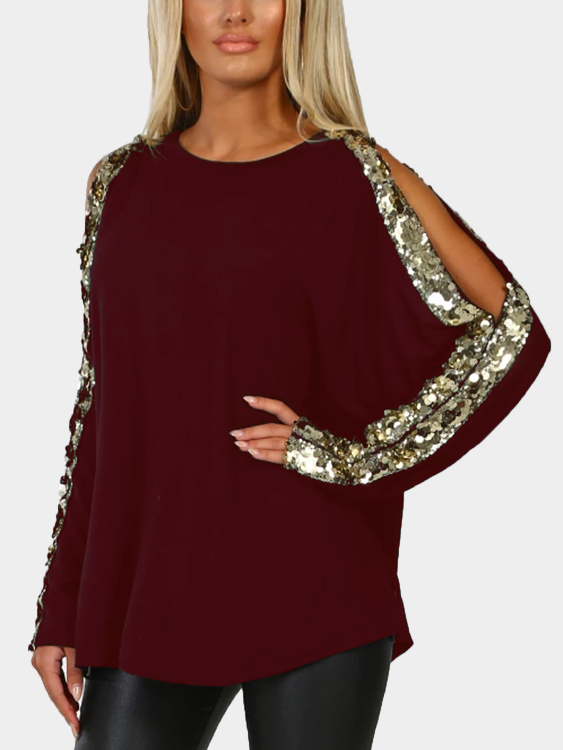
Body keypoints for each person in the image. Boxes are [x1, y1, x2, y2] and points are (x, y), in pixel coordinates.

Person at [29, 0, 551, 748]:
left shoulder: (356, 173)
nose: (235, 12)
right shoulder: (119, 182)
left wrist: (347, 457)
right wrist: (64, 601)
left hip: (316, 581)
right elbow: (101, 401)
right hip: (152, 589)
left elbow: (510, 330)